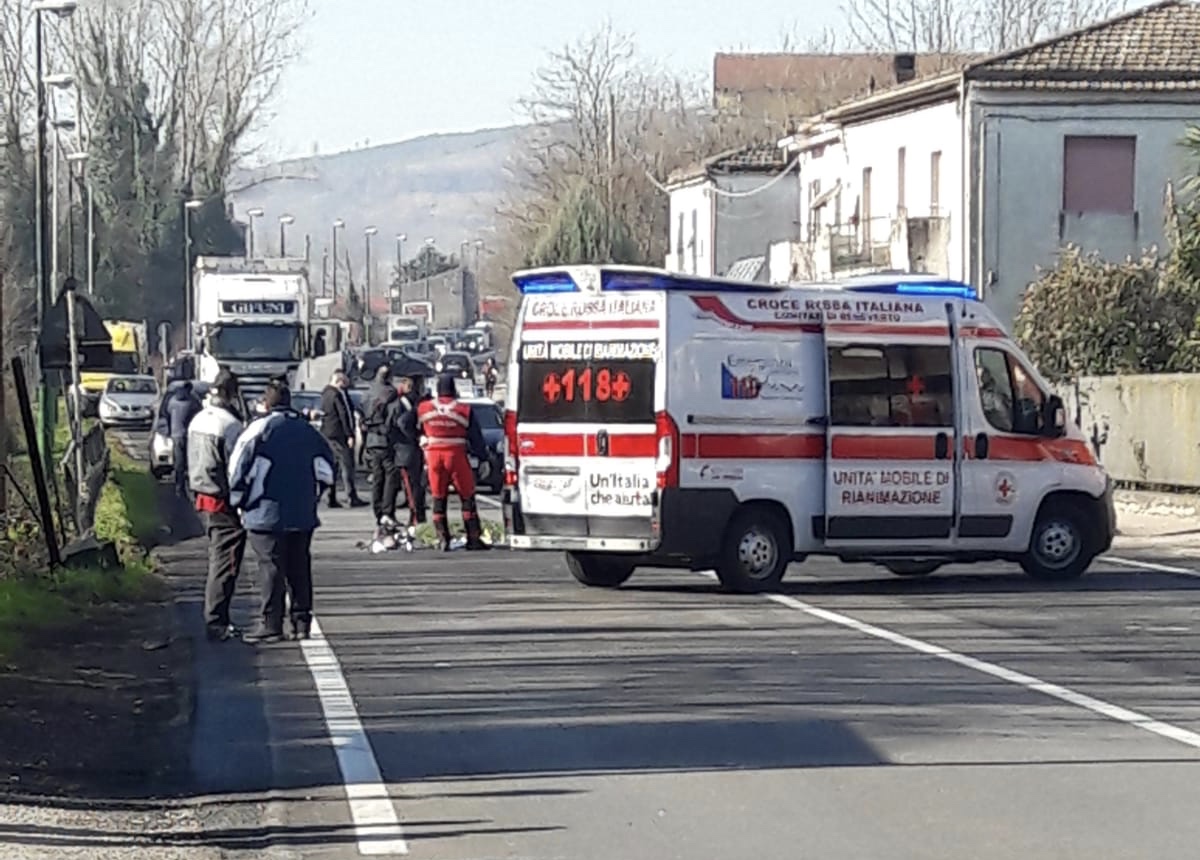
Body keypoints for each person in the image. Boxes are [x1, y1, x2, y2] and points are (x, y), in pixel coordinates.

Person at [228, 381, 335, 644]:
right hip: (302, 512)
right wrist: (313, 495)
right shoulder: (308, 431)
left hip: (265, 511)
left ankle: (271, 624)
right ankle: (301, 623)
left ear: (267, 402)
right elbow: (327, 470)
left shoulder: (259, 429)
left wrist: (239, 500)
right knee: (299, 566)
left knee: (271, 567)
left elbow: (237, 468)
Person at [187, 370, 246, 642]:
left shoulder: (199, 418)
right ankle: (216, 621)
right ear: (233, 393)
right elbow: (237, 467)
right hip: (221, 498)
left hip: (200, 493)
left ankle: (216, 618)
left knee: (217, 556)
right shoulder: (229, 425)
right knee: (225, 561)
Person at [417, 374, 491, 551]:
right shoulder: (463, 409)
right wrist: (483, 457)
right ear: (454, 389)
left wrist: (419, 439)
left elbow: (405, 423)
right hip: (456, 455)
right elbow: (476, 437)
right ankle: (473, 538)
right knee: (467, 496)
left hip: (433, 456)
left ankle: (443, 539)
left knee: (438, 497)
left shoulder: (424, 408)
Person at [362, 365, 402, 527]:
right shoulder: (391, 393)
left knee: (377, 476)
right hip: (386, 439)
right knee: (391, 476)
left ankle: (377, 511)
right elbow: (395, 416)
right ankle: (387, 511)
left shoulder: (368, 393)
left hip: (371, 440)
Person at [320, 370, 366, 508]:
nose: (346, 385)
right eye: (344, 382)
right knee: (347, 465)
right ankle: (351, 496)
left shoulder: (326, 394)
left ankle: (331, 496)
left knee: (332, 467)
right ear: (339, 381)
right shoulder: (335, 395)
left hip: (328, 434)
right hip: (339, 435)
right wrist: (349, 435)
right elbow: (343, 416)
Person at [394, 375, 428, 535]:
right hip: (415, 449)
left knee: (412, 488)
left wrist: (413, 436)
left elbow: (400, 423)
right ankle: (419, 517)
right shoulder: (421, 402)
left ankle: (416, 518)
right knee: (417, 486)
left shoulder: (402, 402)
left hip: (406, 450)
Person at [167, 381, 202, 499]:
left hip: (175, 434)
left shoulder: (172, 401)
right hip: (189, 435)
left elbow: (166, 413)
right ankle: (193, 488)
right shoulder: (192, 402)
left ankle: (179, 487)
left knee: (179, 462)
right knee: (192, 463)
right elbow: (199, 415)